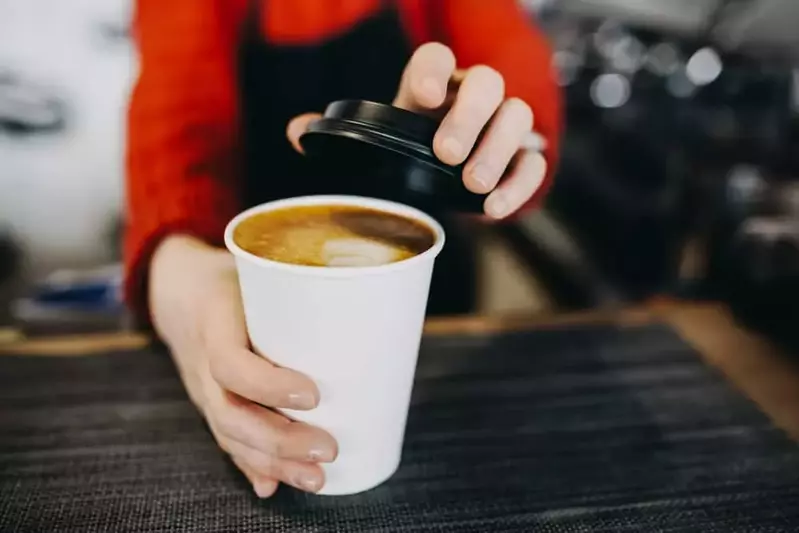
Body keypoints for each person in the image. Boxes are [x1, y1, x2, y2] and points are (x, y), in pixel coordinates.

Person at [125, 0, 562, 497]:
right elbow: (177, 108)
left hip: (430, 303)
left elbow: (506, 46)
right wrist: (180, 262)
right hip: (254, 297)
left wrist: (497, 137)